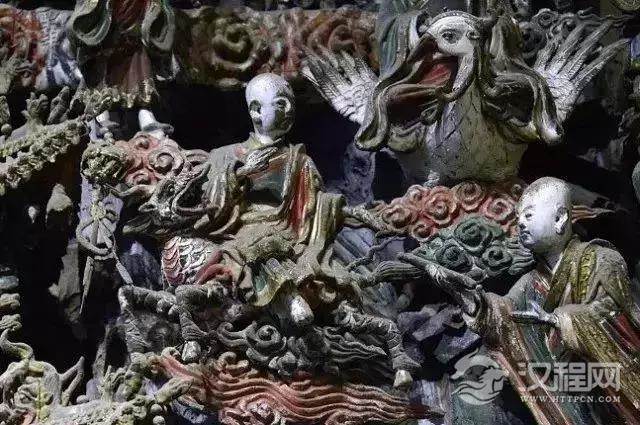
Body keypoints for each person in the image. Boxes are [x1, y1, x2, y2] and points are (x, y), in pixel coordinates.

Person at [417, 177, 640, 423]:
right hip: (566, 388)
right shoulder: (531, 282)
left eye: (529, 215)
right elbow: (503, 316)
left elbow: (612, 316)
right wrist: (471, 300)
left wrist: (561, 320)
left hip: (609, 383)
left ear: (560, 218)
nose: (521, 222)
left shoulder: (602, 259)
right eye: (519, 217)